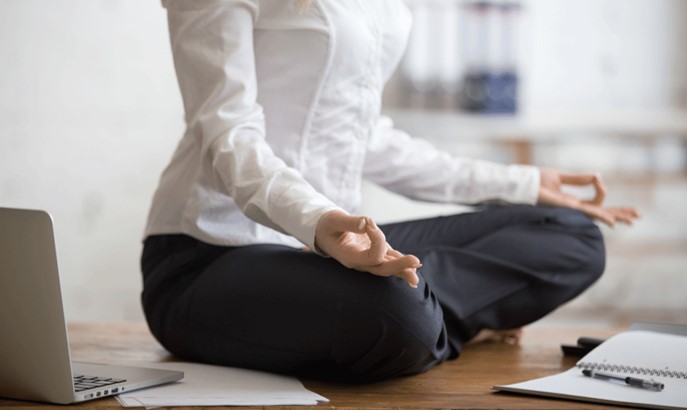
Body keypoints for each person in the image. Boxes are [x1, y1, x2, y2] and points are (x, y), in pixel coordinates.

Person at [141, 0, 639, 382]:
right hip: (207, 258)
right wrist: (317, 220)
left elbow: (367, 138)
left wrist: (521, 183)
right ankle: (440, 319)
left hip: (334, 256)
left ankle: (430, 318)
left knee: (572, 236)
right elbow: (228, 132)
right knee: (397, 315)